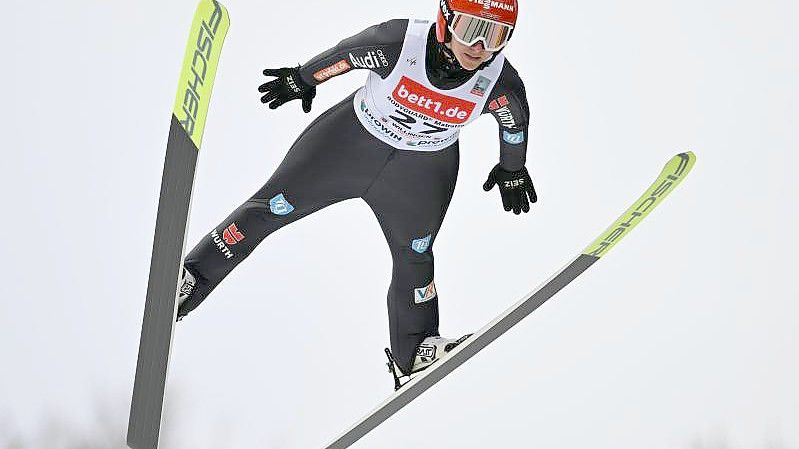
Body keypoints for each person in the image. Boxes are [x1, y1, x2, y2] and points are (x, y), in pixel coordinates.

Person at [175, 0, 536, 380]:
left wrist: (513, 168)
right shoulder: (400, 43)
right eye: (469, 29)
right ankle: (192, 278)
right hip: (347, 147)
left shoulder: (499, 81)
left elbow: (514, 124)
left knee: (416, 255)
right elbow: (345, 56)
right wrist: (302, 79)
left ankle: (415, 349)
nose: (479, 46)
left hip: (420, 174)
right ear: (446, 21)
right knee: (271, 208)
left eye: (494, 35)